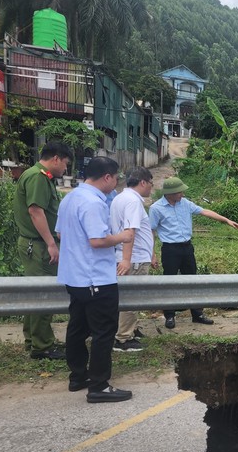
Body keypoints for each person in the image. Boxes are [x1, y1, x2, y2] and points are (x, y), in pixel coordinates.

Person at [56, 156, 134, 403]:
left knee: (77, 328)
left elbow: (60, 232)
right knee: (103, 332)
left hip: (74, 276)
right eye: (116, 178)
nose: (117, 183)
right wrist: (122, 236)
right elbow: (97, 240)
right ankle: (99, 385)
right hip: (96, 279)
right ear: (107, 177)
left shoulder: (70, 198)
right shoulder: (94, 203)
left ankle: (78, 376)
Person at [149, 176, 238, 329]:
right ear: (170, 193)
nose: (183, 195)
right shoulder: (156, 208)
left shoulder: (185, 203)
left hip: (187, 248)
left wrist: (225, 220)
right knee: (169, 283)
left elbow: (204, 211)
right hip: (170, 250)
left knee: (193, 281)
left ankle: (197, 314)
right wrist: (152, 253)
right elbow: (151, 231)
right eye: (180, 192)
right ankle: (170, 315)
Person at [12, 141, 73, 360]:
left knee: (34, 293)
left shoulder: (37, 175)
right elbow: (35, 211)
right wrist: (50, 243)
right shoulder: (38, 176)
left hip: (34, 244)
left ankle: (34, 340)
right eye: (65, 164)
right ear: (56, 158)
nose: (65, 169)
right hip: (37, 245)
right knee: (43, 294)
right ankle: (42, 346)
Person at [110, 167, 156, 352]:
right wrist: (127, 260)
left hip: (130, 256)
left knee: (128, 297)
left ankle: (130, 329)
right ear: (143, 182)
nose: (151, 188)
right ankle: (123, 339)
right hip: (133, 258)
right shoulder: (132, 202)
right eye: (151, 183)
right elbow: (130, 231)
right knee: (131, 297)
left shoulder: (120, 197)